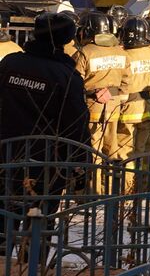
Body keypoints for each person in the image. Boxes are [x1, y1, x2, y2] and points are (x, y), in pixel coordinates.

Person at [0, 12, 89, 220]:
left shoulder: (9, 64)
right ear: (66, 40)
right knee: (38, 226)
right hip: (46, 164)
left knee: (4, 223)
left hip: (6, 156)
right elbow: (76, 125)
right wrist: (80, 165)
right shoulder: (66, 76)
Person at [73, 12, 128, 183]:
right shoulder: (121, 52)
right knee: (112, 149)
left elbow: (74, 82)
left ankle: (93, 190)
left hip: (91, 107)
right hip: (114, 108)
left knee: (92, 150)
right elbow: (126, 82)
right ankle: (112, 191)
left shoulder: (84, 53)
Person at [117, 17, 150, 171]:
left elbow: (121, 85)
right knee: (144, 148)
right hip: (148, 106)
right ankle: (147, 185)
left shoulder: (125, 56)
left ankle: (127, 189)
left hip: (128, 109)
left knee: (126, 150)